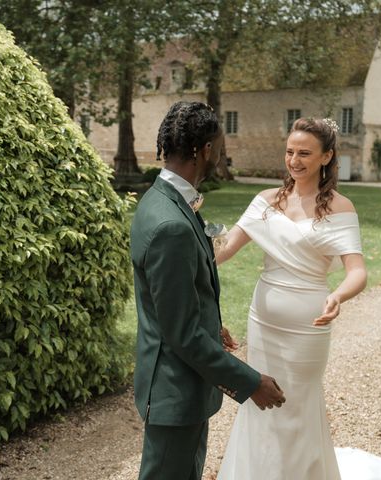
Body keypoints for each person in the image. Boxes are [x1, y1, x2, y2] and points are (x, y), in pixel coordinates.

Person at [216, 117, 381, 480]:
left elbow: (357, 271)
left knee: (297, 404)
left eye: (305, 153)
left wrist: (338, 296)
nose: (294, 160)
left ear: (326, 157)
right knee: (259, 402)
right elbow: (225, 249)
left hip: (308, 325)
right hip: (263, 321)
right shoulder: (265, 201)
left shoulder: (341, 208)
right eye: (290, 152)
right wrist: (191, 237)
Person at [130, 101, 286, 480]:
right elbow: (181, 333)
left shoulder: (161, 200)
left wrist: (210, 326)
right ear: (204, 150)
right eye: (219, 147)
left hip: (177, 385)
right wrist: (250, 383)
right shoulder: (171, 225)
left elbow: (175, 302)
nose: (221, 156)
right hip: (174, 389)